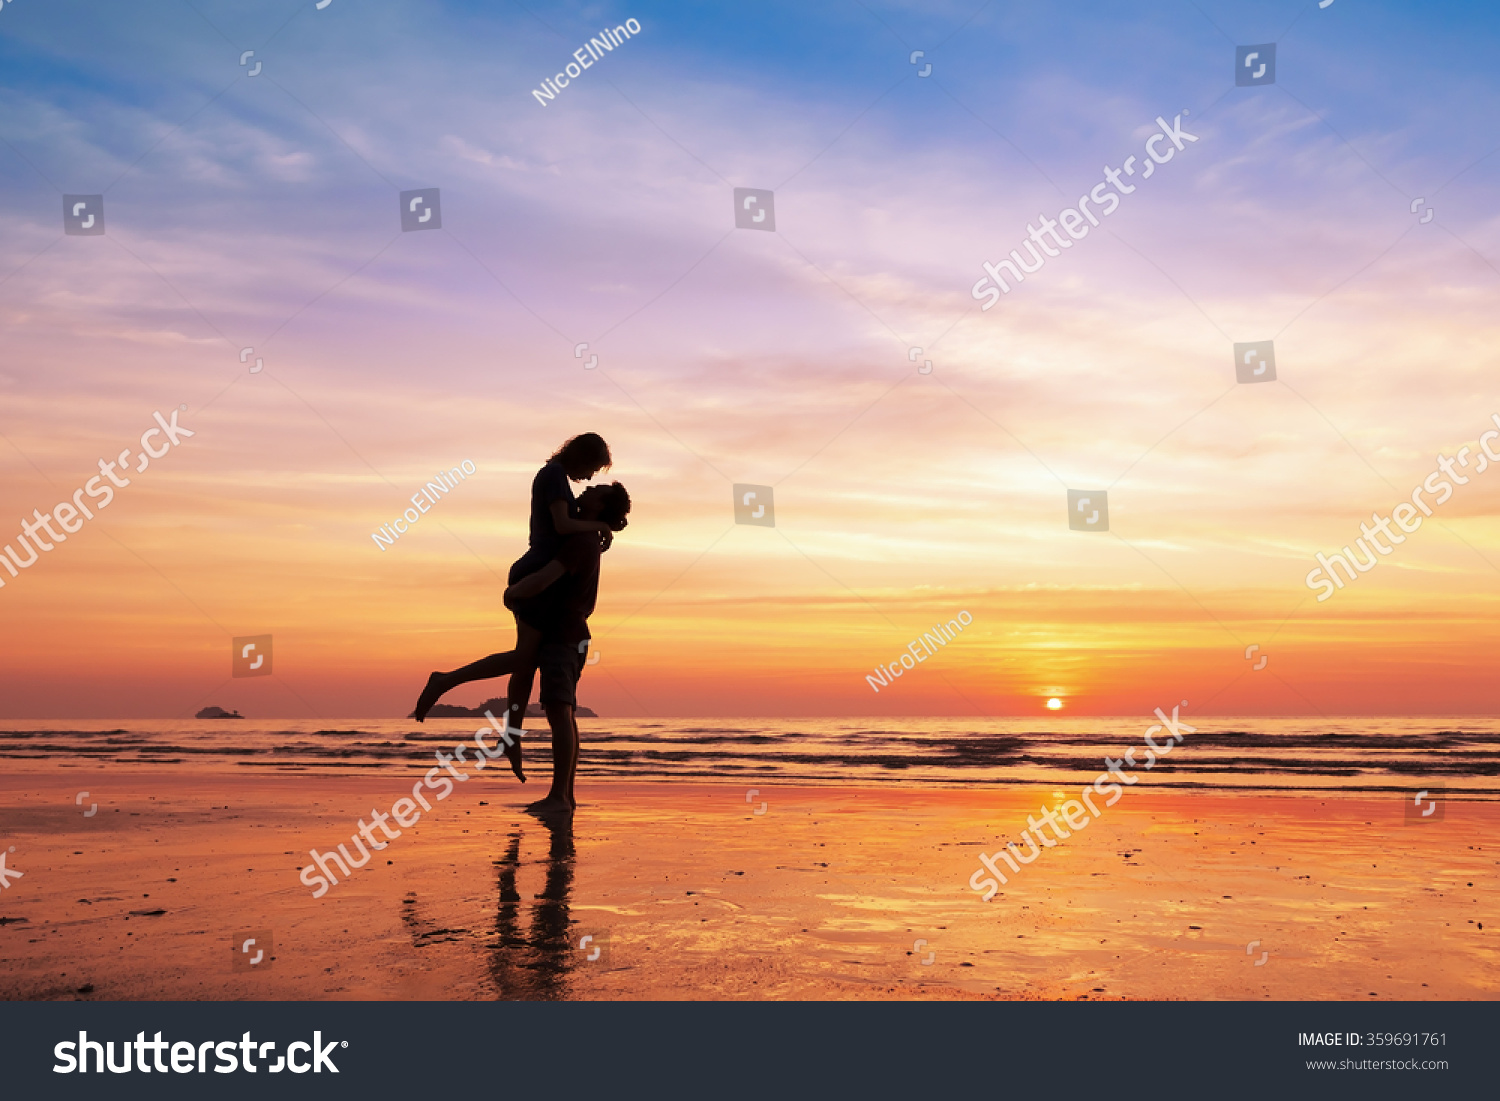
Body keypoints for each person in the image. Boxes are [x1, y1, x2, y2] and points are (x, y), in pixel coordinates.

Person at [411, 433, 617, 768]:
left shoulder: (557, 478)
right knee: (524, 658)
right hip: (537, 574)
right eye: (592, 468)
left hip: (537, 574)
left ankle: (511, 736)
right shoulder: (552, 475)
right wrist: (600, 525)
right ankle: (446, 681)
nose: (591, 477)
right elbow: (563, 525)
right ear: (580, 456)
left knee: (527, 661)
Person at [503, 481, 630, 816]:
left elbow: (546, 578)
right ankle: (564, 796)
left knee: (559, 712)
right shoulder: (586, 535)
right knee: (564, 713)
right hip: (571, 633)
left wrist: (513, 593)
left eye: (595, 491)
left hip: (565, 635)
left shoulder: (580, 541)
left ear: (600, 507)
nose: (586, 489)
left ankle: (560, 796)